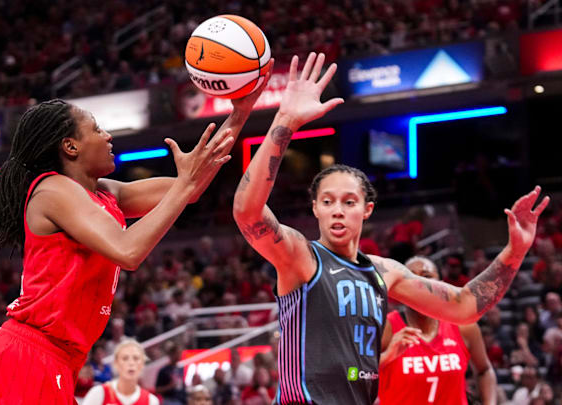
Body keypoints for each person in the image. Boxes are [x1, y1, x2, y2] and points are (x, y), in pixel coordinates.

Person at [232, 51, 549, 405]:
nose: (338, 211)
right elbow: (248, 213)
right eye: (328, 201)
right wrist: (286, 121)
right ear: (315, 209)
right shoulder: (300, 257)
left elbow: (465, 306)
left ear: (367, 210)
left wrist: (515, 251)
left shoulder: (387, 274)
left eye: (349, 202)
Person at [0, 72, 272, 404]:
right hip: (29, 354)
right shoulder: (52, 189)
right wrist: (186, 183)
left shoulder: (106, 192)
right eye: (97, 129)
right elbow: (128, 250)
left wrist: (240, 112)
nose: (108, 136)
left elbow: (188, 189)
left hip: (59, 358)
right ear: (70, 146)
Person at [378, 257, 497, 405]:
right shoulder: (386, 328)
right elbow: (355, 374)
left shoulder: (463, 326)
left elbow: (484, 370)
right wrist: (387, 355)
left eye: (426, 277)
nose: (418, 283)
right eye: (410, 277)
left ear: (441, 285)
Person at [80, 340, 158, 405]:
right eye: (125, 358)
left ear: (142, 364)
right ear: (116, 363)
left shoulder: (151, 401)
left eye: (136, 358)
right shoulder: (98, 393)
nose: (131, 363)